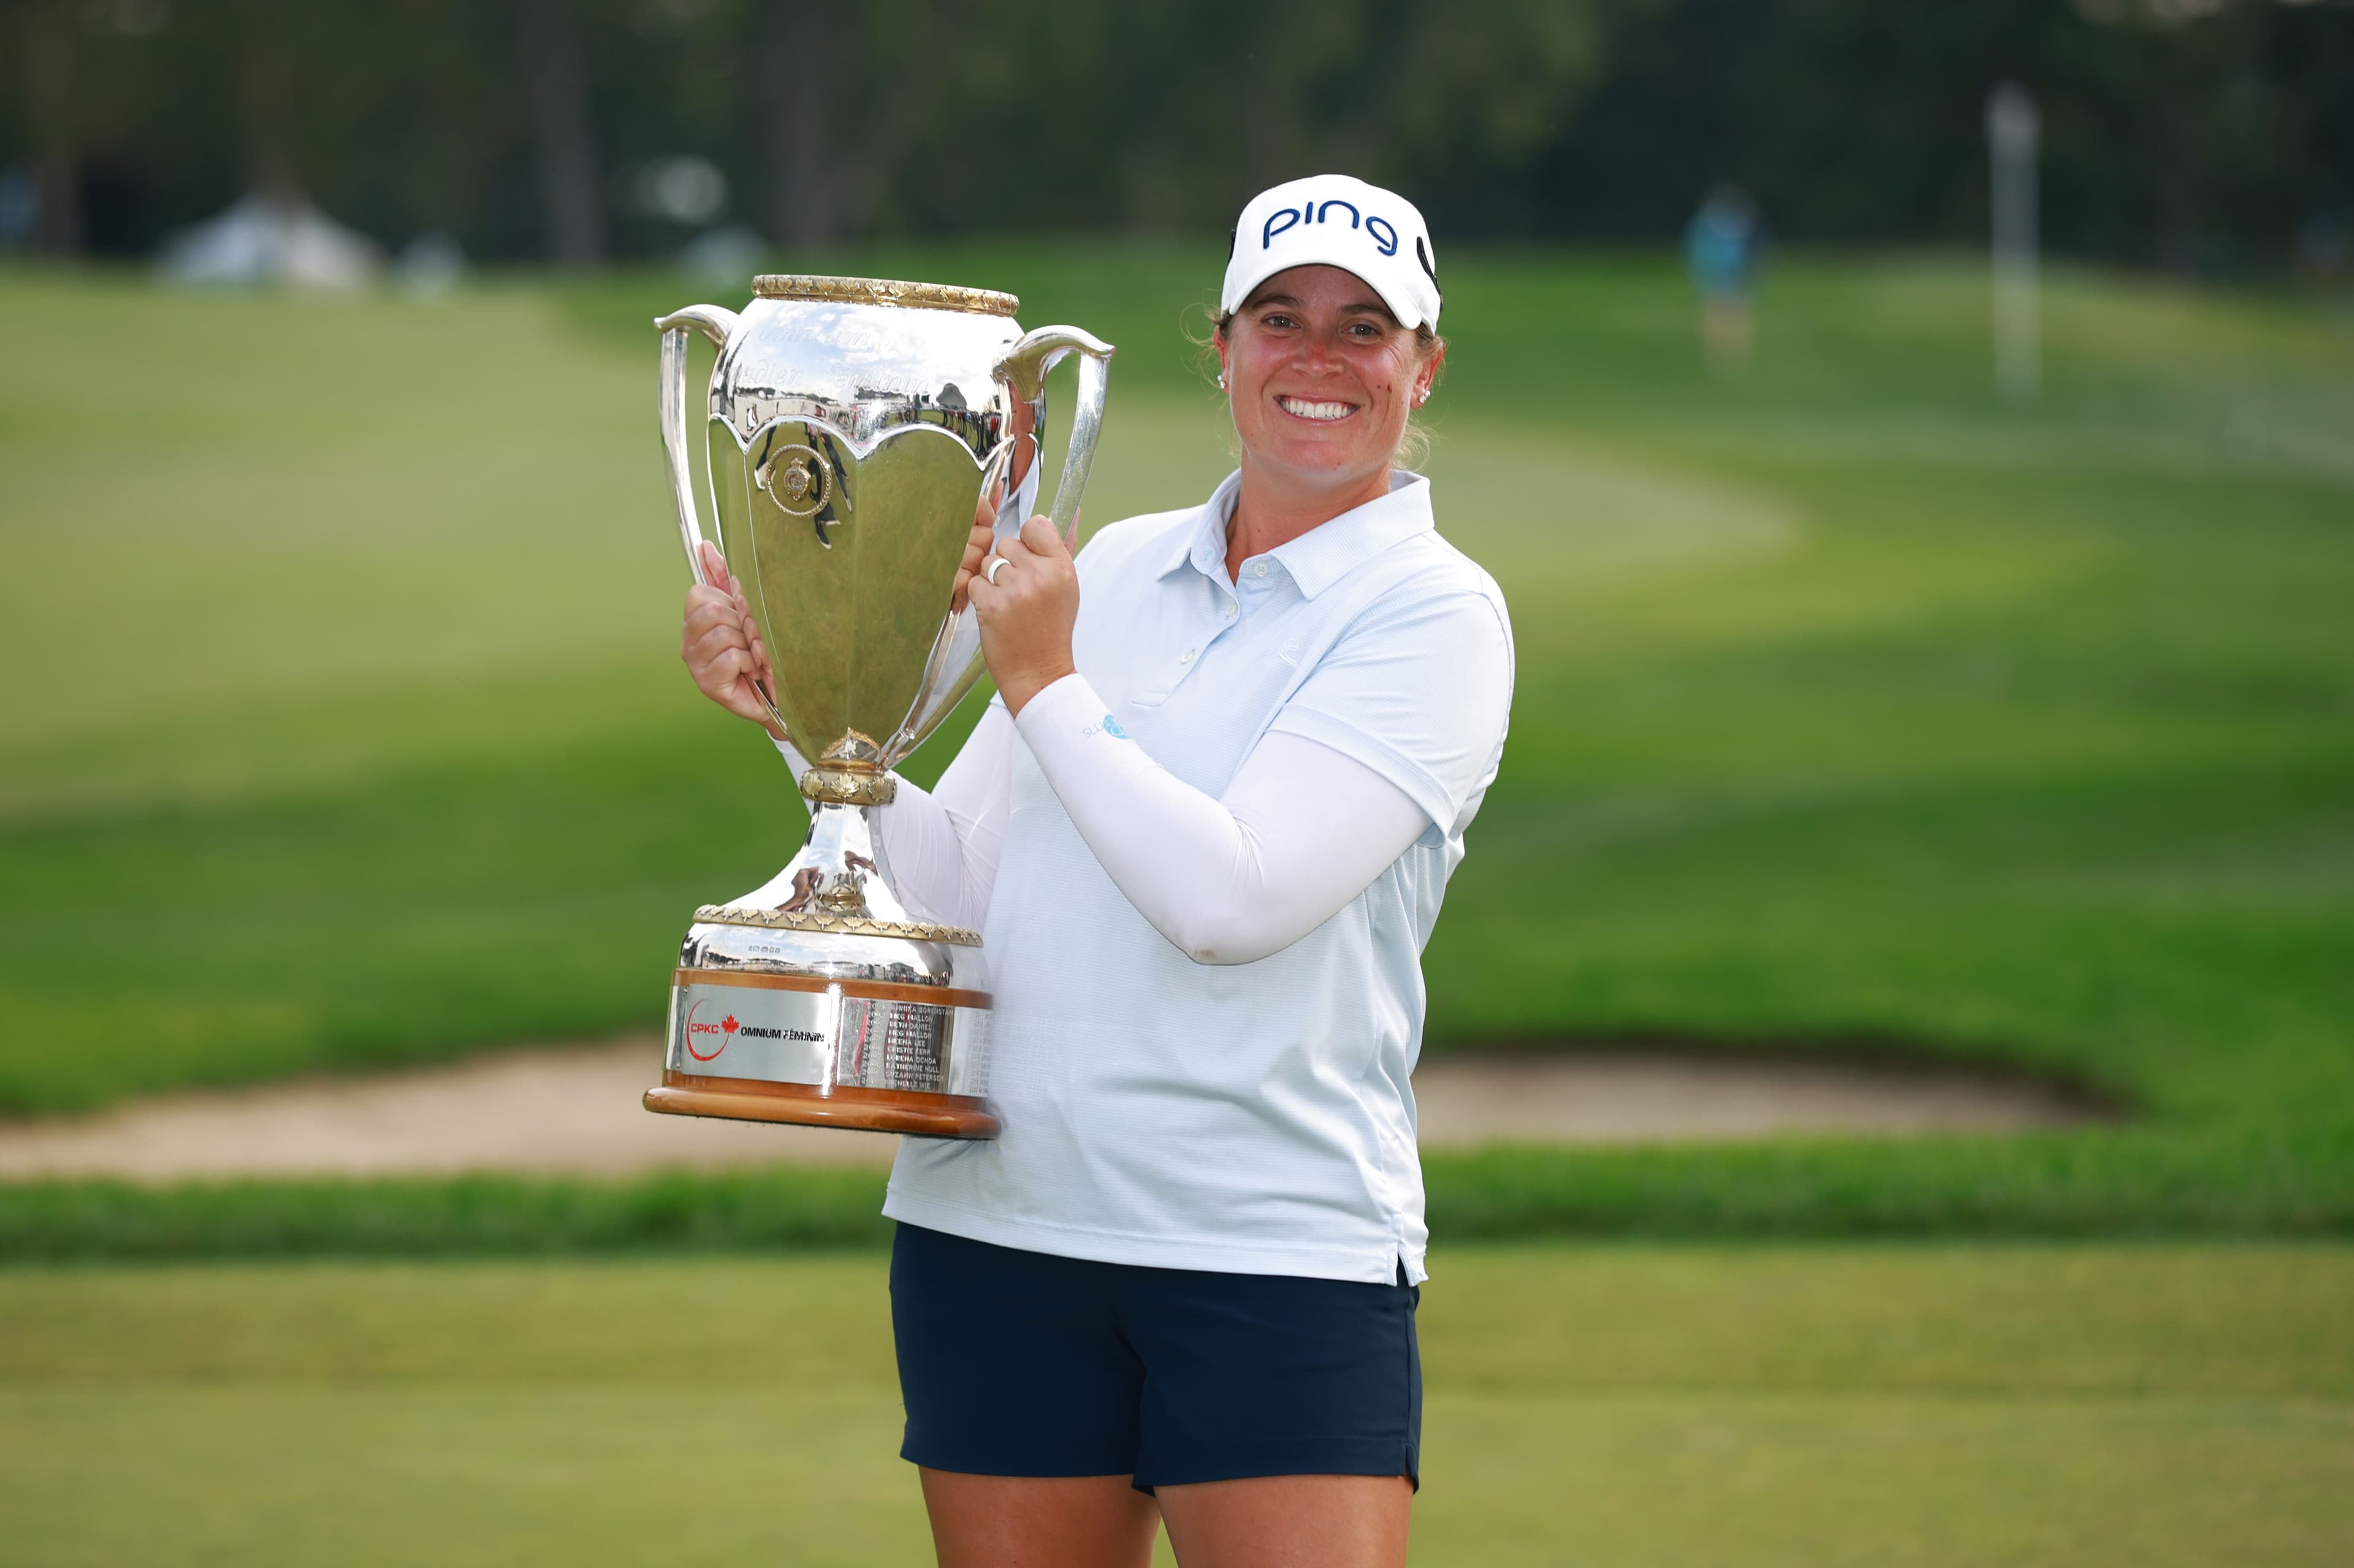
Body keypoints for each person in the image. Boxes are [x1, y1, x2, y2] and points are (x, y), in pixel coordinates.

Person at [680, 173, 1513, 1568]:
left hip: (1267, 1244)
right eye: (1280, 316)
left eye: (1364, 328)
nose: (1319, 355)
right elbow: (948, 890)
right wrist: (815, 712)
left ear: (1421, 366)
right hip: (996, 1229)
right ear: (1224, 345)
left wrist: (1049, 683)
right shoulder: (1113, 568)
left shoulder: (1435, 613)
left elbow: (1229, 901)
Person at [1685, 182, 1762, 373]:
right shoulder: (1716, 225)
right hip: (1724, 274)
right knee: (1723, 313)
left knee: (1729, 313)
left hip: (1730, 274)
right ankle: (1723, 353)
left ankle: (1727, 353)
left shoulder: (1712, 224)